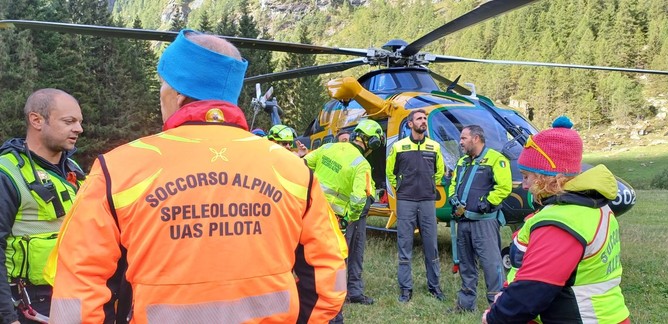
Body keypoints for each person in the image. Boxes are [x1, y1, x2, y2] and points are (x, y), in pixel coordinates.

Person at [48, 30, 347, 324]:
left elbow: (79, 282)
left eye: (162, 87)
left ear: (177, 97)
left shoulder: (117, 170)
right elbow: (328, 274)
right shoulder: (293, 169)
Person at [483, 116, 630, 323]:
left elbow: (532, 291)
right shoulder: (594, 206)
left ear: (548, 177)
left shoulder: (560, 223)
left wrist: (495, 317)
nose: (524, 185)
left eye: (527, 176)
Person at [0, 88, 84, 324]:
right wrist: (7, 317)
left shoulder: (74, 170)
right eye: (69, 121)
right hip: (26, 305)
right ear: (36, 120)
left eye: (79, 121)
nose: (79, 128)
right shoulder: (6, 172)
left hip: (73, 296)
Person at [305, 119, 384, 323]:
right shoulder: (361, 164)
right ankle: (334, 312)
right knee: (336, 265)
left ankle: (311, 303)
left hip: (314, 215)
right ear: (372, 143)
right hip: (338, 221)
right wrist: (350, 218)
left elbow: (304, 164)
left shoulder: (328, 147)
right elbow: (359, 199)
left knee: (312, 260)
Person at [447, 125, 511, 312]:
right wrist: (453, 198)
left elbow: (504, 187)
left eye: (463, 138)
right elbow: (453, 183)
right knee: (466, 264)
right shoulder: (462, 162)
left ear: (476, 138)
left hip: (484, 223)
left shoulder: (496, 159)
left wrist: (488, 202)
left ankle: (497, 307)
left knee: (491, 264)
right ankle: (466, 305)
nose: (460, 142)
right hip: (463, 222)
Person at [386, 109, 445, 302]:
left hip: (428, 200)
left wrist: (429, 186)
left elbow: (439, 172)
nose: (423, 121)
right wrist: (401, 188)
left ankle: (434, 287)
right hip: (406, 201)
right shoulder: (399, 147)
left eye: (425, 118)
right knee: (405, 245)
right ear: (410, 124)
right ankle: (405, 289)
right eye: (419, 119)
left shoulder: (434, 147)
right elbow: (390, 172)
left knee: (431, 245)